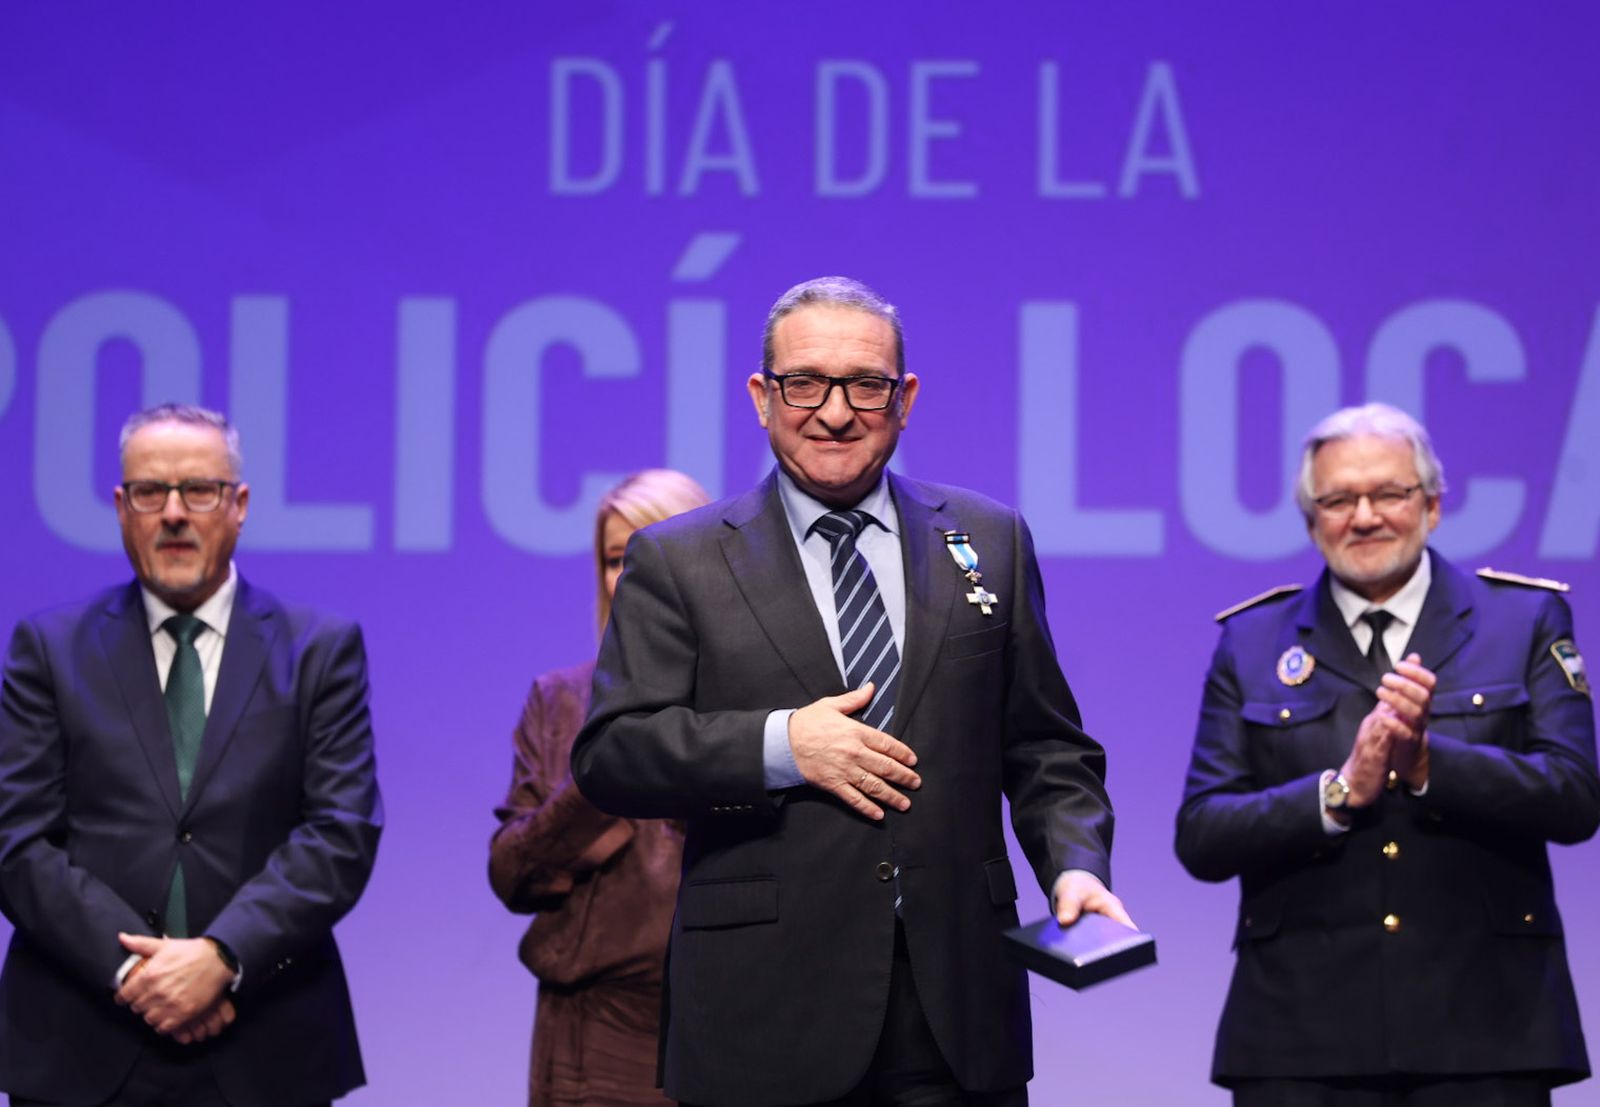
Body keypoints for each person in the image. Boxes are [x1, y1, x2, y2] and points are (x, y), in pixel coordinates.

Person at [571, 276, 1128, 1107]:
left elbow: (1046, 744)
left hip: (957, 1004)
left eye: (865, 384)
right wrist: (780, 746)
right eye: (805, 383)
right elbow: (614, 752)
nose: (835, 411)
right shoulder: (676, 559)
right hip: (764, 1008)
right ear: (762, 397)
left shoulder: (988, 538)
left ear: (904, 399)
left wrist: (1076, 864)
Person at [1176, 402, 1599, 1106]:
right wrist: (1338, 792)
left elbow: (1576, 795)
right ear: (1312, 520)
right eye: (1338, 499)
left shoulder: (1523, 620)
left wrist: (1433, 768)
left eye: (1389, 494)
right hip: (1300, 1034)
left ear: (1432, 505)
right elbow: (1203, 833)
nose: (1364, 515)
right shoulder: (1252, 641)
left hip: (1488, 1027)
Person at [0, 404, 383, 1107]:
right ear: (121, 508)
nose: (173, 512)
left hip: (265, 1040)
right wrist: (137, 972)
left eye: (198, 490)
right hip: (80, 1046)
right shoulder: (48, 650)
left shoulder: (319, 648)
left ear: (238, 506)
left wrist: (222, 956)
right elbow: (16, 840)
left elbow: (341, 832)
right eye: (150, 491)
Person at [490, 468, 710, 1107]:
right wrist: (602, 772)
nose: (631, 574)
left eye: (652, 550)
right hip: (595, 1038)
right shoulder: (560, 702)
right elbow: (511, 874)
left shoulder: (763, 700)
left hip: (733, 1022)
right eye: (617, 558)